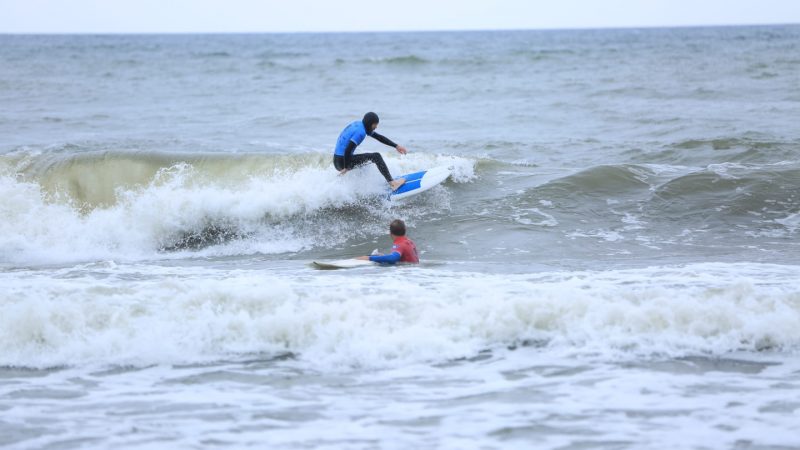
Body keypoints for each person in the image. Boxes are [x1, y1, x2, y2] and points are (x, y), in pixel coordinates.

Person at [334, 112, 408, 191]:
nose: (376, 127)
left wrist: (396, 146)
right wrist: (346, 167)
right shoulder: (360, 133)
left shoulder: (360, 125)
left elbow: (379, 137)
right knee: (376, 156)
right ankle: (393, 183)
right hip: (343, 161)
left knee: (366, 164)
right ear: (369, 124)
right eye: (375, 124)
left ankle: (361, 190)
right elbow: (348, 149)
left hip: (337, 160)